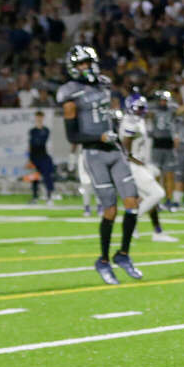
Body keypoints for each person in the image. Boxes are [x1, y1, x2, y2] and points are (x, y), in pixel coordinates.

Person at [58, 45, 142, 285]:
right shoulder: (70, 93)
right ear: (74, 68)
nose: (86, 67)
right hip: (95, 153)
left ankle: (123, 254)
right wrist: (99, 137)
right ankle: (103, 260)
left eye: (88, 62)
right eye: (81, 64)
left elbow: (109, 112)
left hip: (114, 151)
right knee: (110, 210)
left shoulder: (104, 84)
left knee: (132, 204)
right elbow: (72, 137)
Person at [119, 94, 178, 242]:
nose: (142, 110)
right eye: (139, 107)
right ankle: (130, 221)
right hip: (134, 166)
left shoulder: (138, 120)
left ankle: (157, 231)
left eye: (142, 107)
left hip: (139, 164)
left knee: (149, 199)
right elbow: (125, 149)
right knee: (157, 194)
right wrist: (137, 163)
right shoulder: (131, 121)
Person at [149, 90, 179, 210]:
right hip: (157, 144)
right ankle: (156, 201)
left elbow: (183, 108)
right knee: (156, 175)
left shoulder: (172, 111)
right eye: (161, 100)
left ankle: (168, 200)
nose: (163, 102)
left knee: (169, 176)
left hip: (169, 145)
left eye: (165, 100)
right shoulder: (153, 111)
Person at [28, 111, 55, 204]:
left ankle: (49, 197)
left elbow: (41, 142)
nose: (39, 119)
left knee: (47, 177)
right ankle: (35, 197)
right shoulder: (32, 131)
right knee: (34, 178)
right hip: (34, 157)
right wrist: (30, 158)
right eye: (37, 117)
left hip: (43, 156)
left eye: (40, 117)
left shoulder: (46, 130)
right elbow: (31, 144)